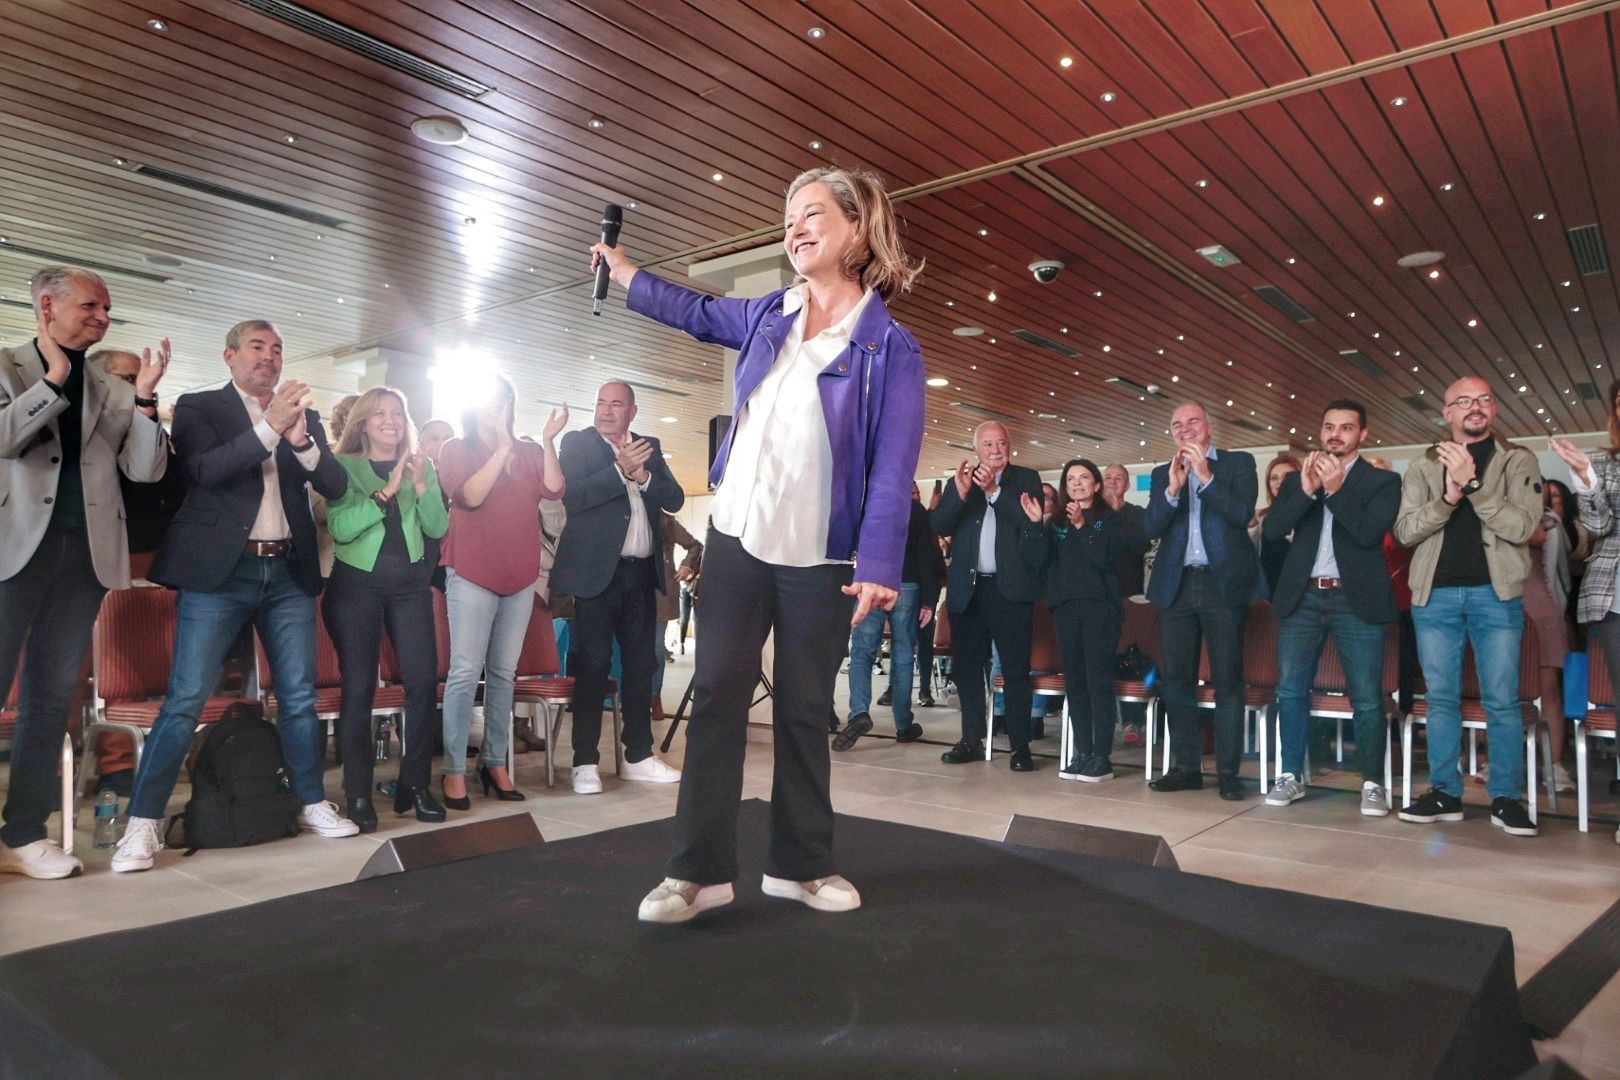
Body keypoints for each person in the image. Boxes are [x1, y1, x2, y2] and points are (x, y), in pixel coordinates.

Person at [591, 164, 924, 923]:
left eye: (811, 214)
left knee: (806, 708)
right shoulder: (772, 313)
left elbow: (893, 468)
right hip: (737, 537)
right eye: (787, 218)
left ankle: (800, 867)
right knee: (715, 699)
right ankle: (697, 873)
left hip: (822, 555)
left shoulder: (889, 349)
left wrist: (878, 565)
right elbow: (698, 310)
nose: (794, 228)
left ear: (856, 227)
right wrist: (629, 273)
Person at [113, 319, 356, 873]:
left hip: (287, 571)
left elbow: (336, 486)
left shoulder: (303, 415)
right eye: (256, 347)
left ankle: (313, 801)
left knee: (297, 696)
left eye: (277, 349)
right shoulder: (200, 407)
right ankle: (143, 824)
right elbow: (205, 470)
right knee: (185, 700)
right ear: (229, 356)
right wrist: (270, 428)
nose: (268, 357)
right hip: (221, 574)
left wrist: (301, 440)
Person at [0, 269, 169, 880]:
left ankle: (23, 834)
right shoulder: (7, 366)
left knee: (50, 698)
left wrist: (146, 399)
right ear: (47, 305)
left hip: (86, 554)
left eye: (107, 308)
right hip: (12, 551)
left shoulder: (108, 384)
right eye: (91, 306)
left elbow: (146, 471)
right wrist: (52, 379)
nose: (102, 316)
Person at [1394, 377, 1541, 837]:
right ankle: (1444, 792)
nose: (1474, 407)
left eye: (1483, 400)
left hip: (1495, 596)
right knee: (1439, 698)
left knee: (1501, 698)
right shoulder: (1422, 465)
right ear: (1447, 413)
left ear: (1494, 410)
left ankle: (1506, 798)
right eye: (1463, 401)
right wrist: (1449, 497)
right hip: (1434, 596)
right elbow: (1406, 531)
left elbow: (1522, 527)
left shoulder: (1518, 460)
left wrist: (1475, 486)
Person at [1262, 402, 1401, 814]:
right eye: (1328, 427)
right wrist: (1305, 491)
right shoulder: (1297, 480)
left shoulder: (1383, 481)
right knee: (1290, 691)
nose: (1335, 434)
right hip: (1302, 596)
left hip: (1354, 599)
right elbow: (1272, 531)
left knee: (1367, 698)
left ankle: (1372, 782)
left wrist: (1336, 491)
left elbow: (1369, 533)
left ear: (1363, 434)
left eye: (1345, 427)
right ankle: (1290, 774)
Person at [322, 386, 449, 830]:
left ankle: (415, 786)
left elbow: (437, 526)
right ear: (362, 422)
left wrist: (417, 485)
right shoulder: (343, 466)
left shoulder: (423, 465)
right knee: (360, 689)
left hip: (411, 587)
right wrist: (384, 494)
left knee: (422, 682)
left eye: (397, 413)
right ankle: (358, 794)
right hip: (357, 587)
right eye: (379, 414)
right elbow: (339, 528)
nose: (390, 421)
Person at [435, 375, 566, 806]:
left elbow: (554, 487)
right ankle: (453, 769)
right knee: (465, 671)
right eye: (489, 400)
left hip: (519, 575)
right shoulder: (455, 448)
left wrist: (546, 439)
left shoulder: (529, 451)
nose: (496, 407)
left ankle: (494, 762)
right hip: (472, 571)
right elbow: (469, 496)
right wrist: (501, 449)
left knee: (505, 674)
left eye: (503, 399)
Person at [551, 381, 686, 794]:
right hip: (597, 575)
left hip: (641, 575)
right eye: (600, 403)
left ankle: (638, 756)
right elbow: (573, 497)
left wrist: (643, 475)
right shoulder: (577, 443)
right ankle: (585, 762)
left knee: (642, 665)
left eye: (616, 404)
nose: (606, 411)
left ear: (632, 410)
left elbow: (676, 499)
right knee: (592, 665)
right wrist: (618, 470)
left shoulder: (650, 445)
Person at [1145, 402, 1262, 801]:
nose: (1185, 429)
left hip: (1222, 585)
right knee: (1176, 681)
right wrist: (1174, 489)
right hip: (1176, 586)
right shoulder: (1163, 472)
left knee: (1227, 681)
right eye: (1176, 424)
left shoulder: (1237, 464)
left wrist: (1205, 477)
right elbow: (1151, 526)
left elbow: (1243, 512)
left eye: (1193, 421)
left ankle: (1228, 773)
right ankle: (1187, 767)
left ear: (1210, 428)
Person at [932, 421, 1045, 770]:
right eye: (988, 445)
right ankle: (971, 739)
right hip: (968, 590)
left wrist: (995, 491)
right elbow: (939, 526)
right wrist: (962, 493)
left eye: (1001, 443)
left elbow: (1030, 523)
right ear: (976, 451)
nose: (995, 450)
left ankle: (1020, 745)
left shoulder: (1025, 479)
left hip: (1009, 589)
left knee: (1014, 669)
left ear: (1010, 446)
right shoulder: (961, 482)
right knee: (966, 668)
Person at [1019, 459, 1121, 780]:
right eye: (1071, 479)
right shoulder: (1056, 522)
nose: (1077, 483)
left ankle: (1102, 755)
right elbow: (1035, 560)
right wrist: (1036, 525)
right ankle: (1082, 751)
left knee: (1097, 681)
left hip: (1100, 608)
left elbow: (1104, 559)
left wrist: (1082, 526)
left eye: (1084, 478)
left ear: (1097, 485)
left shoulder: (1110, 520)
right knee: (1075, 683)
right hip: (1065, 608)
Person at [836, 481, 939, 749]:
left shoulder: (865, 506)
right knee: (903, 655)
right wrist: (929, 600)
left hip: (869, 582)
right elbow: (927, 555)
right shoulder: (915, 511)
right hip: (906, 586)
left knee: (861, 653)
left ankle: (858, 712)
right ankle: (903, 724)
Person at [1522, 478, 1584, 794]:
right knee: (1499, 691)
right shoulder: (1492, 514)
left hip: (1544, 610)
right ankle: (1498, 760)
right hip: (1505, 611)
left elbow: (1560, 573)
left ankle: (1553, 764)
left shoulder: (1551, 521)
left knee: (1550, 693)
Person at [1102, 463, 1150, 745]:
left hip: (1131, 599)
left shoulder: (1137, 515)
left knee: (1133, 662)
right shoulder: (1091, 514)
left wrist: (1117, 512)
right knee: (1102, 663)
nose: (1112, 482)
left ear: (1127, 484)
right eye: (1107, 478)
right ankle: (1104, 727)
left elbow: (1139, 546)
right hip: (1098, 599)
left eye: (1118, 478)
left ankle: (1134, 722)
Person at [652, 512, 703, 723]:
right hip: (628, 590)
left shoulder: (664, 520)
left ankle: (655, 697)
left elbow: (695, 545)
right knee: (632, 647)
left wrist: (686, 566)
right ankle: (634, 699)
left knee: (656, 646)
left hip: (659, 592)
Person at [1251, 454, 1301, 596]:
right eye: (1274, 478)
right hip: (1268, 593)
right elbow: (1251, 554)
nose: (1280, 482)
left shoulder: (1310, 515)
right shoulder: (1260, 516)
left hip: (1301, 592)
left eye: (1287, 476)